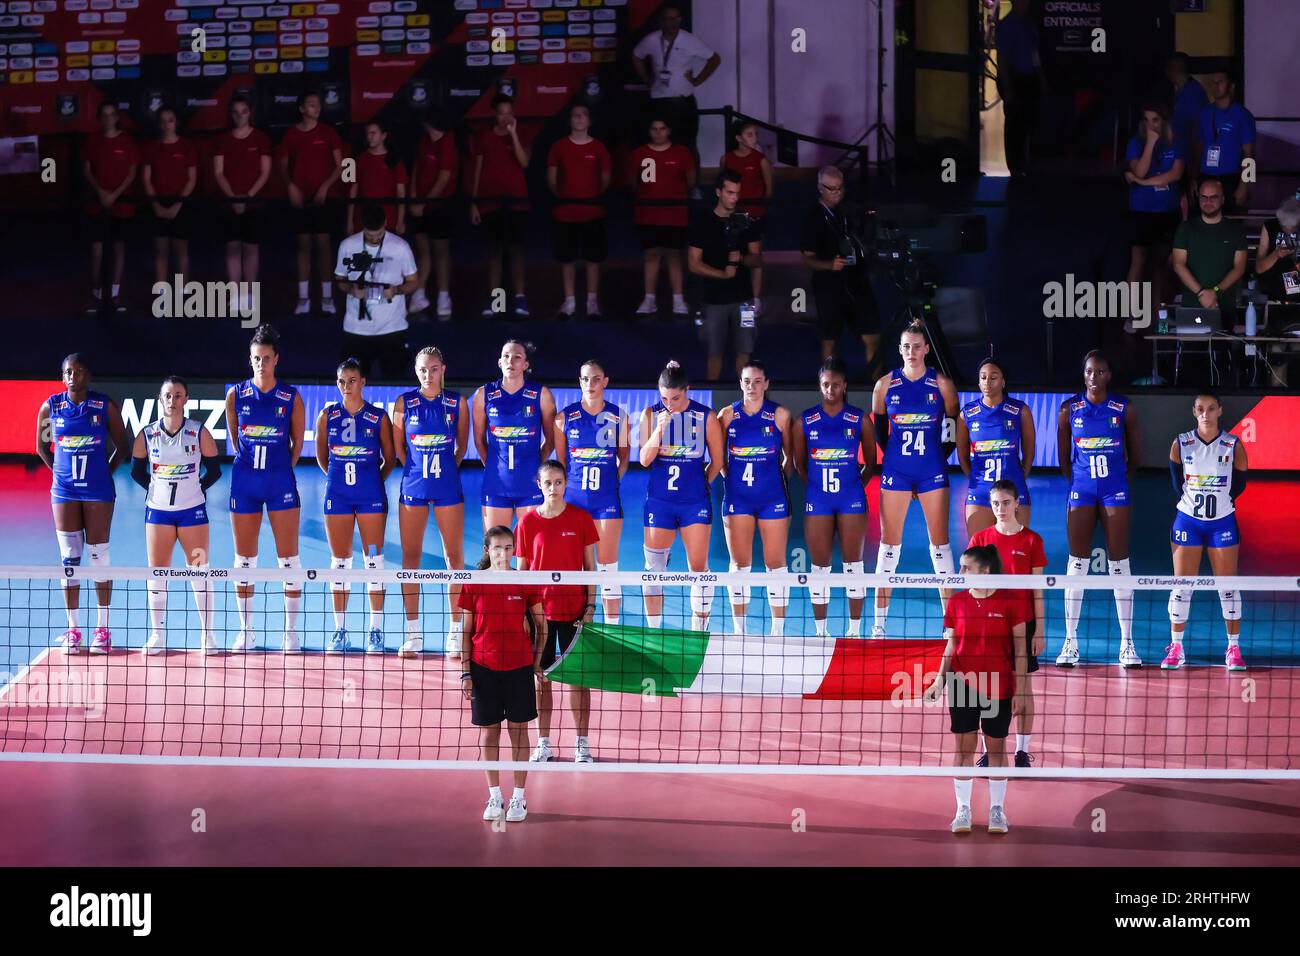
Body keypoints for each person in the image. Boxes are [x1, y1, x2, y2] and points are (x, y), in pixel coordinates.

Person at [925, 545, 1029, 835]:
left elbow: (1020, 649)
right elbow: (952, 644)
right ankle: (963, 809)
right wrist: (938, 680)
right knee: (963, 748)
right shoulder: (957, 602)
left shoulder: (1012, 602)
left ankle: (997, 809)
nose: (959, 573)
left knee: (996, 747)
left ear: (985, 570)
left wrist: (1021, 690)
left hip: (998, 685)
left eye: (965, 568)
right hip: (962, 684)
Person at [35, 354, 129, 654]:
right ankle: (74, 630)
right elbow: (41, 447)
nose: (72, 376)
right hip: (64, 493)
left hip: (98, 492)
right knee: (69, 560)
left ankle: (103, 629)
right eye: (67, 372)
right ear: (62, 377)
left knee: (99, 557)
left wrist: (104, 474)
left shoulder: (103, 406)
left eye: (77, 371)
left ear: (88, 374)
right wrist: (60, 476)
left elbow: (122, 447)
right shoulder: (52, 406)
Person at [871, 321, 960, 636]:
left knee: (940, 547)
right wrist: (897, 461)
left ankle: (949, 626)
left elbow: (951, 430)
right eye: (906, 346)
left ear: (926, 349)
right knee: (888, 548)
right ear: (900, 349)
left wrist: (936, 460)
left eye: (917, 346)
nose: (911, 351)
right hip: (896, 471)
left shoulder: (942, 385)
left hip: (931, 471)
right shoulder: (884, 386)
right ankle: (878, 626)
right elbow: (881, 433)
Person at [1054, 351, 1141, 669]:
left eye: (1100, 371)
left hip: (1114, 489)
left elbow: (1136, 454)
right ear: (1084, 374)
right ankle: (1070, 640)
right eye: (1089, 371)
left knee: (1120, 562)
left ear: (1108, 375)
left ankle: (1127, 642)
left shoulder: (1123, 408)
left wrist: (1117, 481)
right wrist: (1079, 482)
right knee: (1077, 564)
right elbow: (1064, 458)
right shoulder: (1069, 409)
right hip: (1082, 491)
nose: (1093, 376)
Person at [225, 324, 307, 653]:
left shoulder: (290, 396)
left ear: (276, 360)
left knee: (289, 560)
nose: (261, 364)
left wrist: (279, 468)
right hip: (245, 481)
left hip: (279, 481)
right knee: (244, 560)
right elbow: (235, 437)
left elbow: (297, 443)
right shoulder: (236, 394)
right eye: (256, 359)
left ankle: (290, 634)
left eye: (267, 359)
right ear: (251, 360)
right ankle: (247, 631)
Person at [459, 525, 545, 823]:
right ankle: (495, 795)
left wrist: (536, 662)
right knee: (490, 732)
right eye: (497, 548)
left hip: (519, 667)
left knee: (518, 732)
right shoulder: (473, 583)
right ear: (487, 550)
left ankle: (519, 798)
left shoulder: (524, 581)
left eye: (508, 548)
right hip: (484, 668)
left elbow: (542, 626)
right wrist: (465, 672)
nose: (503, 554)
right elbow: (466, 630)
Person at [130, 376, 221, 655]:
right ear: (161, 399)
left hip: (192, 514)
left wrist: (196, 488)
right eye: (168, 396)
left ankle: (208, 636)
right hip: (158, 515)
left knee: (199, 571)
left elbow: (214, 470)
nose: (172, 400)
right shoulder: (147, 434)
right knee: (158, 573)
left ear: (186, 399)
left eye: (178, 395)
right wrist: (155, 490)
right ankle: (157, 635)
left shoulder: (198, 432)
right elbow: (136, 471)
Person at [516, 462, 600, 764]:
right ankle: (544, 743)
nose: (554, 488)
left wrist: (591, 606)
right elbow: (523, 572)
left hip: (575, 613)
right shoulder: (526, 523)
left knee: (579, 679)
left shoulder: (581, 519)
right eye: (548, 483)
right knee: (542, 679)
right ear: (539, 485)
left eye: (559, 482)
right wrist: (522, 613)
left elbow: (591, 569)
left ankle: (581, 744)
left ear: (566, 484)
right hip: (539, 616)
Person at [393, 346, 469, 659]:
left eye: (434, 369)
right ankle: (413, 634)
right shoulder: (404, 402)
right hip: (413, 486)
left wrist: (446, 468)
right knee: (410, 558)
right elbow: (399, 448)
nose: (428, 375)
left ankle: (455, 631)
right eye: (423, 369)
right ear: (416, 371)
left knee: (454, 558)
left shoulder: (457, 403)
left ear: (443, 369)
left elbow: (462, 446)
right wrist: (414, 470)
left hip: (448, 486)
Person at [314, 358, 395, 654]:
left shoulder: (378, 417)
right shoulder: (326, 416)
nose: (346, 386)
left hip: (371, 498)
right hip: (338, 497)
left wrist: (372, 480)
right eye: (341, 381)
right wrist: (337, 480)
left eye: (352, 380)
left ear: (363, 382)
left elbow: (390, 458)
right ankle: (340, 630)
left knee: (373, 560)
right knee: (340, 563)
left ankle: (375, 629)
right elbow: (323, 457)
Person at [1164, 392, 1249, 671]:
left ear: (1220, 411)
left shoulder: (1233, 445)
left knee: (1228, 587)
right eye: (1200, 409)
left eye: (1211, 409)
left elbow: (1239, 484)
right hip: (1188, 521)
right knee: (1181, 586)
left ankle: (1233, 647)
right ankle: (1176, 647)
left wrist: (1221, 502)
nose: (1205, 414)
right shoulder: (1181, 444)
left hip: (1222, 522)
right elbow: (1177, 483)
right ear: (1193, 411)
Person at [638, 360, 725, 631]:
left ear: (688, 390)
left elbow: (718, 461)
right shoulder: (650, 415)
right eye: (664, 398)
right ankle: (654, 632)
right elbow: (643, 459)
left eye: (675, 397)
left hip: (694, 504)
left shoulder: (705, 417)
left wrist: (702, 484)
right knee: (653, 572)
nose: (670, 403)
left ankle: (699, 632)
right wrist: (659, 430)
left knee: (699, 569)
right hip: (660, 503)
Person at [793, 356, 874, 637]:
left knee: (854, 567)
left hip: (851, 499)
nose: (830, 390)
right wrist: (817, 486)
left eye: (836, 385)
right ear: (820, 385)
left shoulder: (858, 418)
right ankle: (821, 632)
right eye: (826, 385)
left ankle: (854, 631)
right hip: (819, 500)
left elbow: (871, 464)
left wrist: (852, 484)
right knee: (820, 568)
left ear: (844, 385)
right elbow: (799, 464)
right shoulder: (805, 420)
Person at [969, 480, 1046, 768]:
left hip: (1022, 625)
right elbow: (970, 585)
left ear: (1016, 504)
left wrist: (1039, 629)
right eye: (995, 503)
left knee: (1023, 688)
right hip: (989, 627)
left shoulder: (1032, 541)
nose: (1000, 508)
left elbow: (1038, 590)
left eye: (1005, 502)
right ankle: (993, 749)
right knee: (989, 690)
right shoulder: (980, 539)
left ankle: (1022, 751)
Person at [719, 360, 793, 637]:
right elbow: (719, 458)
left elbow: (790, 460)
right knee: (739, 566)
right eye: (747, 381)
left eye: (757, 381)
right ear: (740, 384)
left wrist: (775, 482)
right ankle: (740, 631)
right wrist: (731, 478)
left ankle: (778, 632)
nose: (752, 386)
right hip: (738, 499)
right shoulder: (727, 415)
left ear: (766, 383)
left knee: (776, 564)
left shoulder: (780, 415)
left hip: (772, 498)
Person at [554, 359, 629, 625]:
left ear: (605, 381)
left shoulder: (619, 417)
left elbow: (624, 459)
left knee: (608, 567)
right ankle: (574, 623)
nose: (590, 384)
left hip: (606, 501)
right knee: (576, 567)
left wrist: (611, 482)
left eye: (596, 379)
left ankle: (612, 628)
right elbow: (562, 463)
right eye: (585, 379)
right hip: (574, 501)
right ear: (579, 381)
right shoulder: (564, 418)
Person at [800, 165, 881, 372]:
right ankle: (830, 384)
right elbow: (807, 260)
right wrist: (829, 265)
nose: (836, 193)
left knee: (872, 333)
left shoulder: (848, 211)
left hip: (856, 283)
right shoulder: (812, 218)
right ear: (820, 188)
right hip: (829, 287)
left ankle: (876, 385)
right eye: (831, 189)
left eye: (840, 188)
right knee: (830, 338)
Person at [472, 340, 557, 531]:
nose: (511, 361)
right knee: (494, 551)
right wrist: (494, 464)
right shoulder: (483, 394)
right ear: (500, 362)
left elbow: (551, 441)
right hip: (496, 484)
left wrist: (536, 464)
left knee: (532, 551)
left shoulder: (541, 394)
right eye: (506, 356)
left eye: (517, 357)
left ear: (526, 365)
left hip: (530, 483)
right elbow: (478, 440)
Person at [687, 168, 762, 381]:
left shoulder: (746, 220)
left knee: (745, 352)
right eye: (730, 192)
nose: (734, 197)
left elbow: (757, 259)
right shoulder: (702, 221)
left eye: (737, 193)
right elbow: (693, 263)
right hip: (713, 300)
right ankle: (712, 401)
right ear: (718, 192)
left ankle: (745, 405)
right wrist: (722, 274)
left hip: (744, 300)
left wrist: (740, 260)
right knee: (714, 353)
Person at [333, 202, 419, 380]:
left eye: (379, 234)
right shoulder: (348, 245)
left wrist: (396, 290)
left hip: (392, 328)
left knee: (395, 382)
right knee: (352, 384)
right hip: (356, 329)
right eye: (370, 235)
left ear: (386, 224)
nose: (374, 239)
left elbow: (413, 281)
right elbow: (340, 279)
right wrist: (351, 290)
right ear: (362, 227)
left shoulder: (400, 247)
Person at [278, 91, 344, 316]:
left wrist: (325, 187)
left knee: (324, 246)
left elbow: (340, 166)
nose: (316, 107)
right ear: (302, 109)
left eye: (318, 104)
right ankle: (304, 298)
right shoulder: (290, 135)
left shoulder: (329, 132)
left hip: (324, 199)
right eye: (311, 104)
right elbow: (283, 166)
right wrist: (291, 187)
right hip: (301, 199)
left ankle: (326, 297)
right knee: (304, 247)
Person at [631, 3, 721, 161]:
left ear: (679, 20)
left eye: (674, 19)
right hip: (658, 100)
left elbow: (715, 59)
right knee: (654, 146)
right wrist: (646, 79)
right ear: (661, 21)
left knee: (687, 145)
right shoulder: (652, 39)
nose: (670, 22)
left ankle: (692, 186)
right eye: (666, 19)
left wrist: (698, 80)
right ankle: (651, 182)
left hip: (683, 100)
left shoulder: (689, 40)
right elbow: (637, 56)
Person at [470, 93, 533, 319]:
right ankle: (496, 300)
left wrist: (513, 134)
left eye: (509, 112)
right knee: (495, 252)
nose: (505, 117)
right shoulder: (484, 137)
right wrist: (474, 202)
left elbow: (524, 162)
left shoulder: (522, 134)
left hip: (516, 202)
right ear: (495, 114)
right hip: (490, 203)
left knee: (516, 251)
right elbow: (477, 168)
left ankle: (519, 298)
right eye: (501, 113)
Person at [956, 358, 1034, 537]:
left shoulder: (1019, 411)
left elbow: (1029, 453)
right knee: (979, 557)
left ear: (1003, 381)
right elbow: (962, 456)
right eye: (983, 377)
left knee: (1015, 556)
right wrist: (975, 478)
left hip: (1014, 489)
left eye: (993, 377)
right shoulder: (967, 414)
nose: (987, 382)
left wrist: (1020, 477)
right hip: (980, 491)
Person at [547, 104, 612, 320]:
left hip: (593, 212)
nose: (579, 119)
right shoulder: (559, 147)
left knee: (593, 259)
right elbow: (552, 179)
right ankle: (570, 302)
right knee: (567, 260)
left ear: (589, 121)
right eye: (576, 115)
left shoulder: (599, 148)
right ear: (570, 120)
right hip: (565, 212)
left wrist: (591, 198)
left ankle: (592, 302)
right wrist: (566, 198)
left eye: (584, 115)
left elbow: (605, 180)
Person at [1123, 103, 1185, 316]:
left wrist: (1142, 182)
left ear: (1164, 120)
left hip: (1167, 211)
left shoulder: (1176, 142)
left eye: (1155, 120)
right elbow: (1138, 169)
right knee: (1138, 262)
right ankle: (1132, 314)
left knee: (1161, 265)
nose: (1151, 125)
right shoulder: (1135, 143)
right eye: (1147, 120)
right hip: (1141, 211)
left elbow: (1175, 174)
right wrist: (1150, 143)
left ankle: (1159, 313)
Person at [213, 94, 272, 316]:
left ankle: (249, 296)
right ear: (231, 114)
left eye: (244, 112)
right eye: (235, 112)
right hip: (229, 204)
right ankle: (235, 296)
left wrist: (247, 196)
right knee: (232, 248)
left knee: (250, 249)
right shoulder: (223, 140)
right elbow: (219, 172)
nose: (240, 116)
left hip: (253, 203)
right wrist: (233, 198)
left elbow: (265, 172)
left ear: (250, 113)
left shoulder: (261, 138)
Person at [631, 115, 695, 318]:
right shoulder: (639, 154)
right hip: (648, 214)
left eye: (662, 128)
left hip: (675, 214)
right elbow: (633, 183)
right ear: (649, 131)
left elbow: (690, 181)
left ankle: (678, 299)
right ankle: (649, 299)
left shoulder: (682, 153)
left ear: (669, 131)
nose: (658, 132)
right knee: (651, 256)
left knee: (674, 257)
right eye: (654, 128)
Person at [83, 100, 139, 314]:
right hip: (97, 204)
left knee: (118, 249)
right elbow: (87, 169)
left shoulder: (127, 142)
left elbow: (132, 171)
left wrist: (115, 195)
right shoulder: (92, 141)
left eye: (111, 114)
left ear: (117, 117)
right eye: (104, 115)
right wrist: (101, 193)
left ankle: (114, 294)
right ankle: (95, 294)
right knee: (97, 250)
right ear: (100, 118)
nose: (108, 119)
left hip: (121, 204)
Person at [1172, 177, 1247, 332]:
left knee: (1223, 351)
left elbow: (1239, 268)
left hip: (1224, 304)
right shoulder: (1186, 228)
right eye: (1204, 197)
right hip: (1192, 303)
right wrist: (1201, 293)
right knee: (1190, 353)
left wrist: (1215, 292)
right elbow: (1178, 264)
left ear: (1223, 199)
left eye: (1213, 197)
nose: (1208, 201)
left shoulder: (1235, 230)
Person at [142, 106, 198, 288]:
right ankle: (162, 296)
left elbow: (192, 179)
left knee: (181, 251)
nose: (167, 124)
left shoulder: (187, 146)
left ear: (177, 123)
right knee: (160, 252)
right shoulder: (152, 148)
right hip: (157, 203)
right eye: (163, 120)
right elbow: (146, 178)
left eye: (170, 120)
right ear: (159, 124)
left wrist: (178, 205)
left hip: (181, 204)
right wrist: (156, 205)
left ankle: (183, 295)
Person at [410, 114, 459, 319]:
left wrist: (424, 203)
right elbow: (416, 169)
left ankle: (443, 297)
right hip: (419, 207)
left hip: (440, 207)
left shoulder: (447, 143)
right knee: (423, 252)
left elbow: (444, 178)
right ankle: (419, 295)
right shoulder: (424, 142)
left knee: (441, 254)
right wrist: (412, 198)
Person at [720, 120, 772, 311]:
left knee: (755, 257)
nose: (755, 138)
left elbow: (768, 191)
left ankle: (755, 300)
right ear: (738, 138)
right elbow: (723, 187)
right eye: (750, 134)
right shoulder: (726, 159)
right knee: (734, 256)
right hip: (734, 217)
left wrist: (758, 211)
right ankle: (735, 295)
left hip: (756, 216)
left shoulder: (761, 160)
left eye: (755, 134)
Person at [1194, 64, 1256, 213]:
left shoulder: (1243, 115)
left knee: (1230, 223)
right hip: (1206, 176)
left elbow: (1250, 155)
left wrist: (1244, 185)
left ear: (1231, 86)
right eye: (1212, 83)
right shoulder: (1205, 113)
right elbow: (1198, 148)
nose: (1215, 86)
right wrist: (1193, 178)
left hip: (1231, 178)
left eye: (1220, 82)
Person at [995, 0, 1043, 178]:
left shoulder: (1029, 24)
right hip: (1014, 78)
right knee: (1015, 124)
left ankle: (1025, 162)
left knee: (1028, 122)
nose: (1027, 4)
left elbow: (1034, 55)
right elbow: (1003, 60)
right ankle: (1014, 167)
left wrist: (1041, 79)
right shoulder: (1007, 26)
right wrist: (1008, 88)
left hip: (1029, 78)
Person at [347, 119, 407, 236]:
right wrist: (349, 221)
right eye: (368, 133)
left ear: (383, 136)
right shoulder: (359, 159)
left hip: (388, 219)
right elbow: (352, 190)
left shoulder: (394, 160)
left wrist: (400, 221)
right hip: (362, 219)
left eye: (373, 133)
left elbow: (401, 192)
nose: (369, 137)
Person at [1253, 198, 1300, 304]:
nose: (1288, 230)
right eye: (1284, 226)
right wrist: (1276, 254)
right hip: (1275, 292)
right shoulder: (1271, 226)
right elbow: (1259, 268)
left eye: (1292, 227)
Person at [1165, 52, 1207, 153]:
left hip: (1190, 154)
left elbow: (1196, 127)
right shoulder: (1181, 91)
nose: (1165, 71)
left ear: (1175, 67)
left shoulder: (1192, 93)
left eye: (1168, 66)